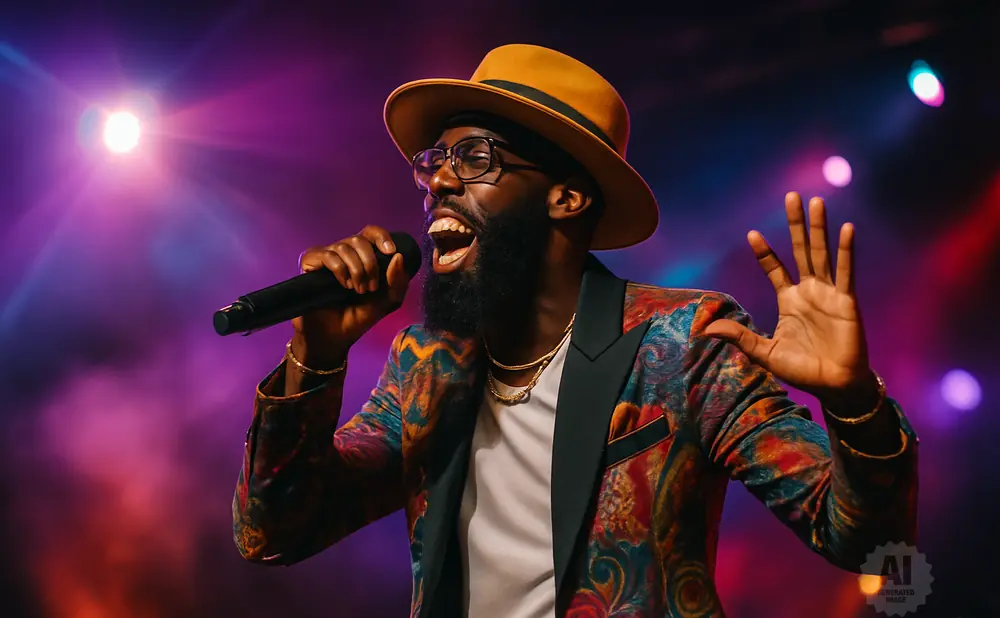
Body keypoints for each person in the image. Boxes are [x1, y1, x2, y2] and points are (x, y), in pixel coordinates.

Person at [232, 44, 918, 618]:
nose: (439, 183)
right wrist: (315, 355)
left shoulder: (684, 345)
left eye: (473, 158)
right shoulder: (425, 364)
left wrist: (853, 401)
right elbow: (274, 531)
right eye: (433, 165)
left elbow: (864, 543)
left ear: (567, 195)